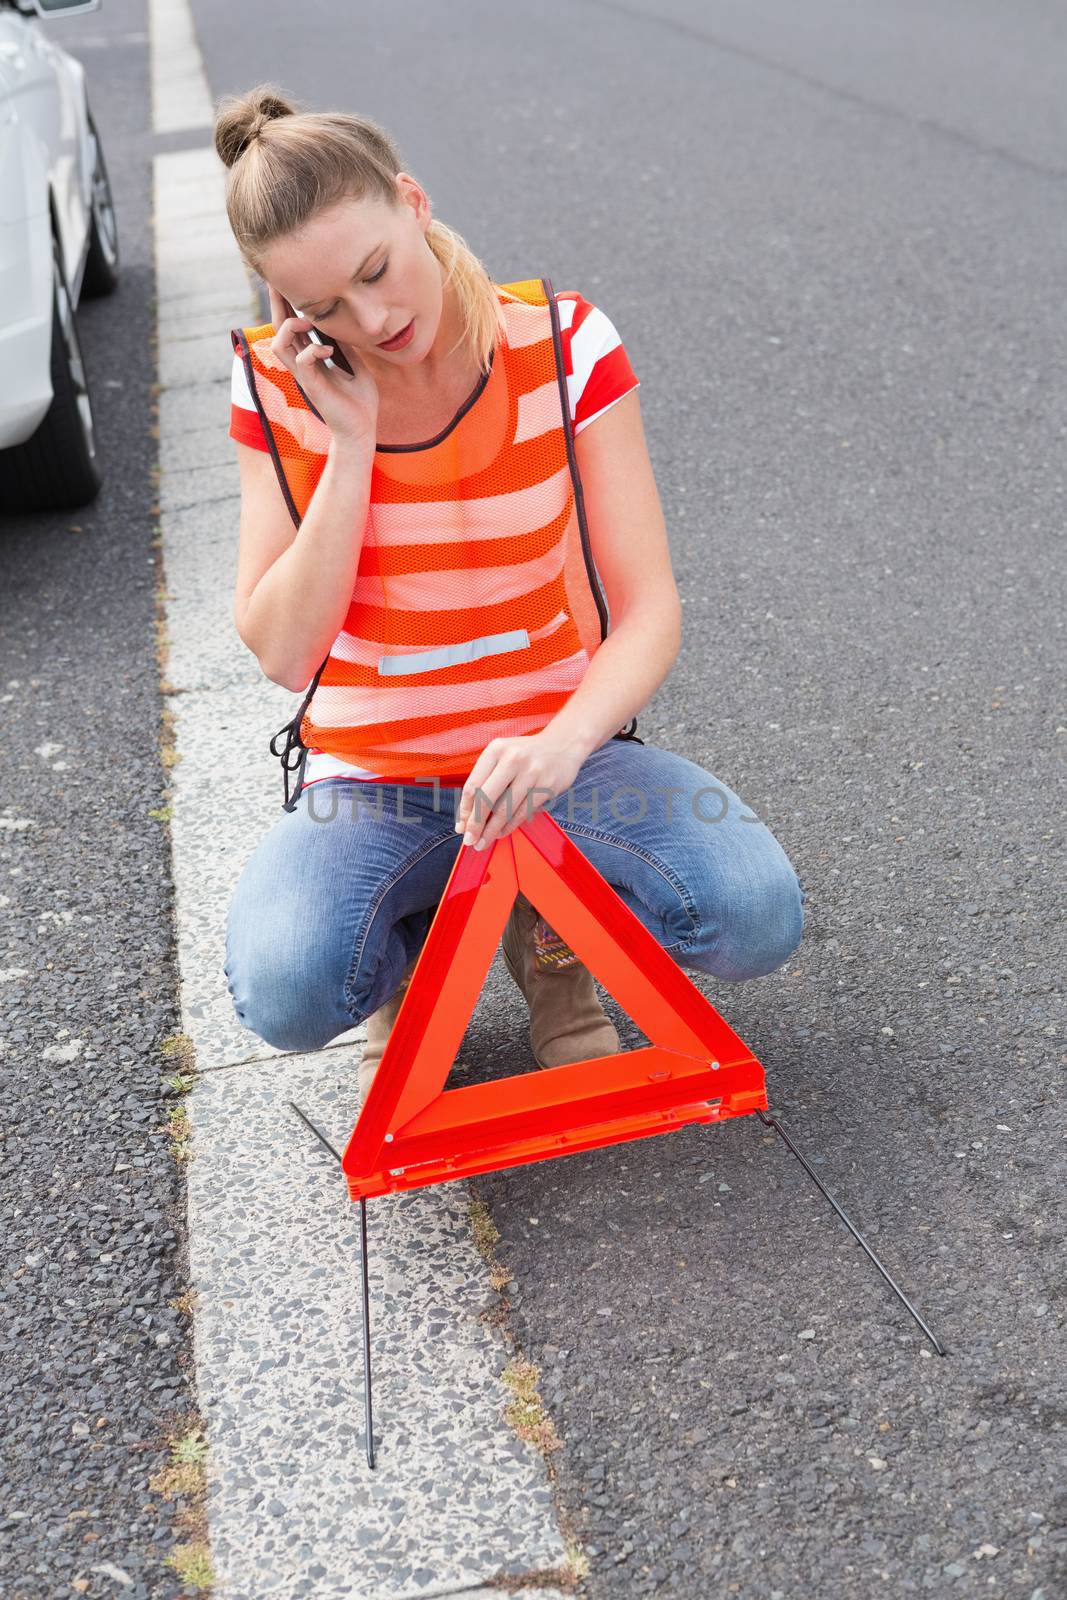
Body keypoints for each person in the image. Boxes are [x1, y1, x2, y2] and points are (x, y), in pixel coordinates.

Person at [215, 84, 806, 1110]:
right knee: (288, 989)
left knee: (752, 915)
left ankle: (550, 932)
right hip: (377, 787)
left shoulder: (561, 342)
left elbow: (647, 604)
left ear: (412, 201)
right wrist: (347, 443)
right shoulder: (277, 387)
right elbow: (281, 653)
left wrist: (564, 745)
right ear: (285, 311)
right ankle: (414, 948)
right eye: (324, 309)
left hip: (562, 761)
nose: (373, 319)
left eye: (374, 271)